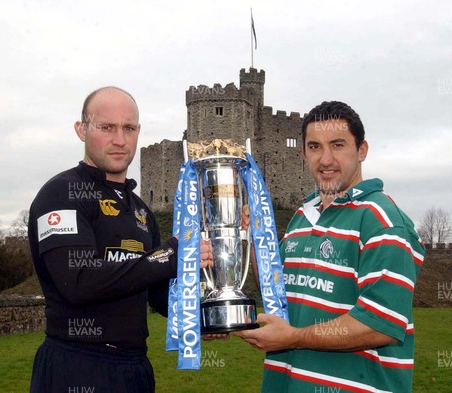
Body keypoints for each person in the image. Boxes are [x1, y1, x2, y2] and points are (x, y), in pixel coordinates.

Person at [27, 86, 213, 393]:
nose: (119, 139)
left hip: (134, 368)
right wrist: (170, 255)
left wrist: (204, 317)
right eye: (106, 127)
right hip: (76, 365)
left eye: (128, 128)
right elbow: (78, 282)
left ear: (138, 131)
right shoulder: (61, 193)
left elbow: (156, 295)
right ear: (81, 129)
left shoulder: (141, 211)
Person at [234, 101, 425, 393]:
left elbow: (379, 324)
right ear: (304, 153)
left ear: (362, 150)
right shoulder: (302, 216)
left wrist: (292, 338)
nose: (325, 159)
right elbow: (276, 292)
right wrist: (257, 239)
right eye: (314, 147)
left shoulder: (382, 221)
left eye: (337, 145)